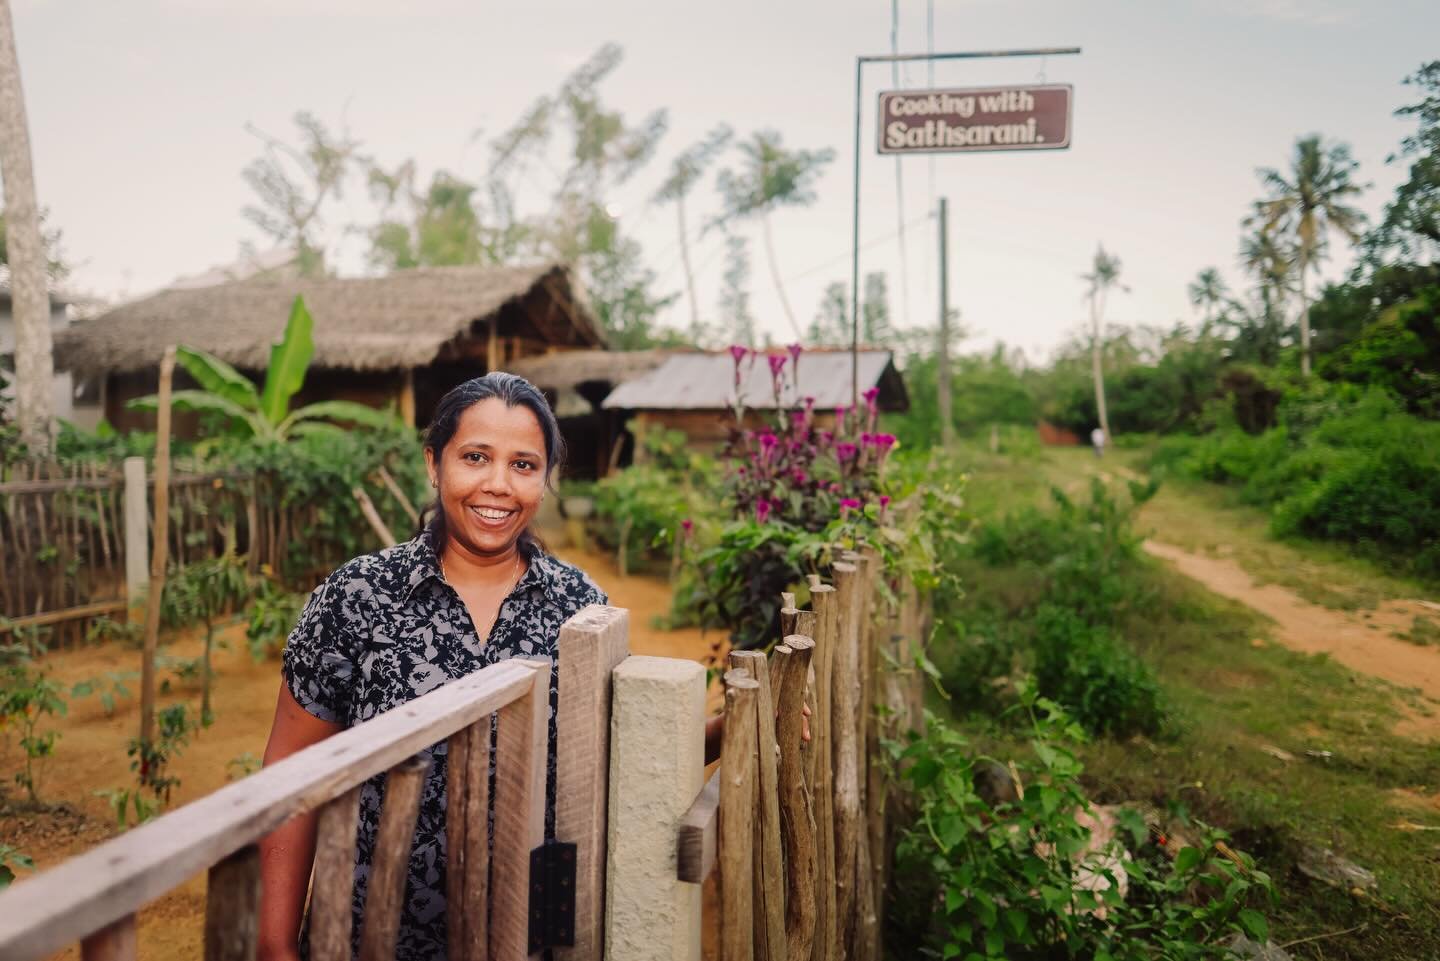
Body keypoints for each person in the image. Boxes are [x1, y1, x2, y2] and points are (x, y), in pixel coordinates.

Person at [256, 373, 726, 961]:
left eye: (524, 465)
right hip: (368, 936)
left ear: (546, 477)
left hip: (530, 938)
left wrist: (737, 723)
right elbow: (289, 772)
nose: (498, 486)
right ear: (434, 463)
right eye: (476, 457)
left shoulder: (581, 609)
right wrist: (273, 946)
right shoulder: (357, 598)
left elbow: (621, 761)